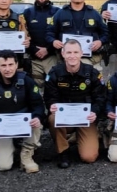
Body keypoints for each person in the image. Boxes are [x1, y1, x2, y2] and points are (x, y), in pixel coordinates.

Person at [0, 50, 44, 173]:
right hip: (2, 127)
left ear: (16, 65)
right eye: (3, 65)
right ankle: (6, 147)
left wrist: (37, 117)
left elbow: (38, 105)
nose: (7, 69)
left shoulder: (27, 81)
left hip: (24, 124)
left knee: (36, 123)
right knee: (3, 166)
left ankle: (26, 155)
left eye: (11, 65)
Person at [45, 39, 105, 168]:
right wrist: (52, 105)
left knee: (89, 157)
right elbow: (49, 97)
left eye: (76, 52)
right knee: (52, 118)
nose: (72, 56)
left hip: (85, 118)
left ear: (81, 53)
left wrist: (94, 111)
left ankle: (79, 138)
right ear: (63, 53)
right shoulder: (55, 73)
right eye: (69, 52)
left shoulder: (92, 73)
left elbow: (100, 97)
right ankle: (63, 152)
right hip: (65, 118)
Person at [46, 0, 109, 72]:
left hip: (91, 60)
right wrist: (53, 41)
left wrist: (100, 42)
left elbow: (106, 33)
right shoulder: (60, 14)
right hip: (67, 62)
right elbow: (49, 33)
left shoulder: (94, 14)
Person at [23, 0, 60, 90]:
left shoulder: (57, 12)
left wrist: (48, 49)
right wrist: (34, 49)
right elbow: (24, 35)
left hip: (52, 56)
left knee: (54, 86)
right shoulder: (27, 13)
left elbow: (60, 34)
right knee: (35, 89)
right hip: (34, 58)